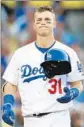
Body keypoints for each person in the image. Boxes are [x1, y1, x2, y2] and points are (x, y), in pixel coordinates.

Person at [2, 6, 84, 127]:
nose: (43, 23)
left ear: (54, 24)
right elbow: (10, 84)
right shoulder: (20, 54)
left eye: (47, 20)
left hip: (59, 117)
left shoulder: (68, 52)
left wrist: (73, 93)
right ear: (34, 25)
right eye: (39, 20)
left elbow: (78, 83)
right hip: (31, 119)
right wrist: (8, 104)